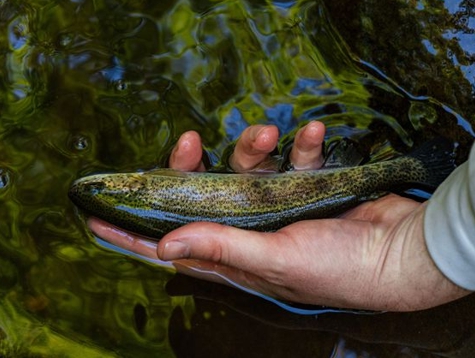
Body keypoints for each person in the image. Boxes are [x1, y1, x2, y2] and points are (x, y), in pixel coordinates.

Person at [88, 121, 475, 312]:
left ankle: (411, 170)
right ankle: (412, 169)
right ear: (127, 187)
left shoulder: (142, 196)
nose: (97, 183)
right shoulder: (138, 195)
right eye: (96, 188)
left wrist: (418, 254)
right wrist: (422, 251)